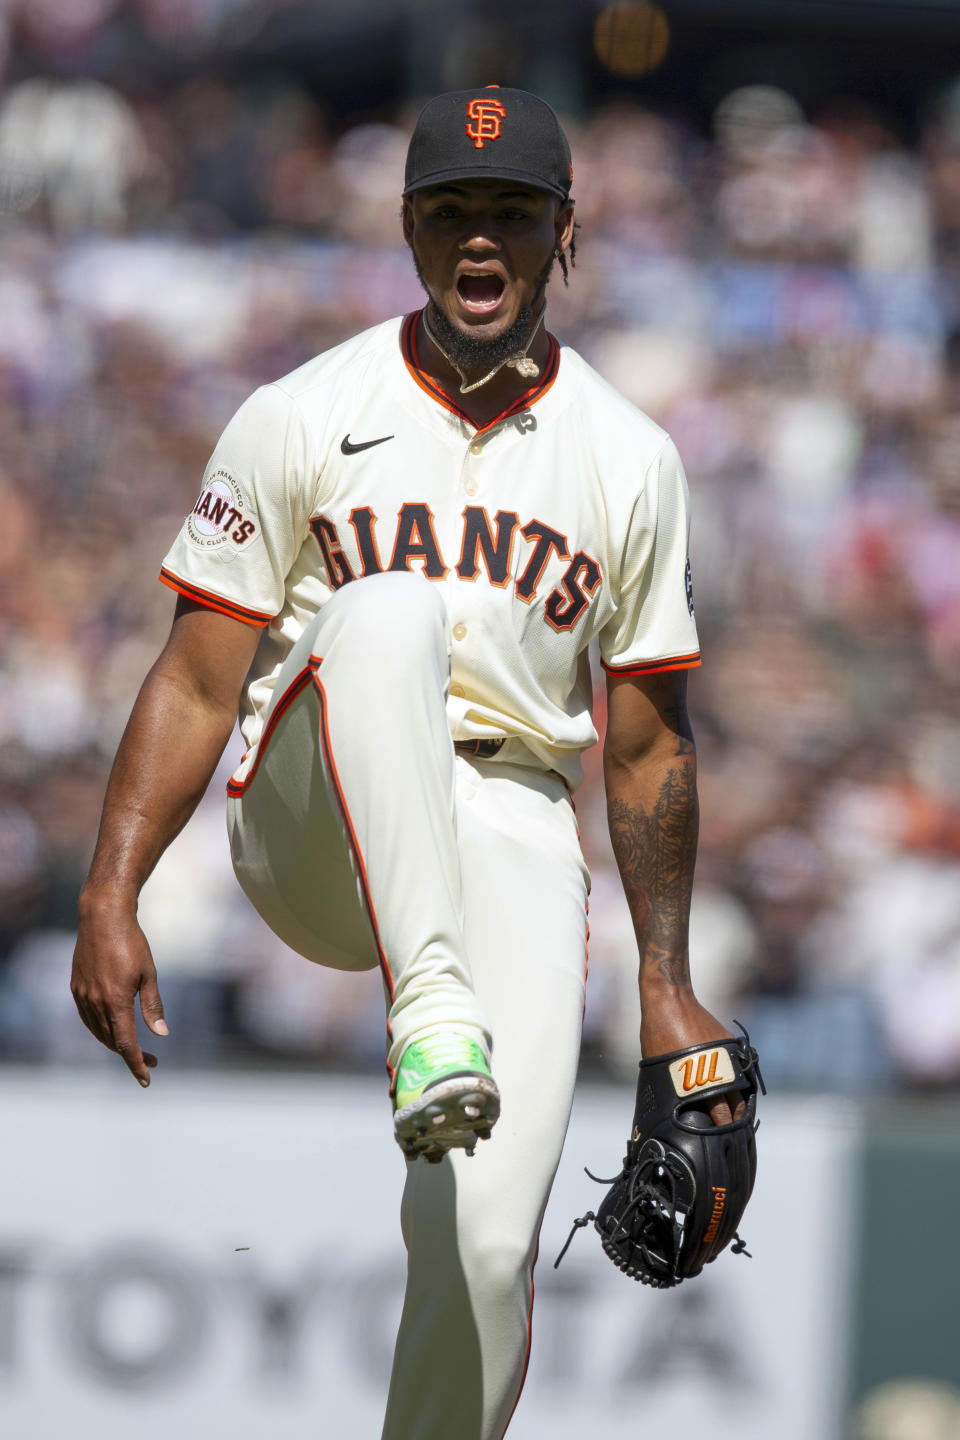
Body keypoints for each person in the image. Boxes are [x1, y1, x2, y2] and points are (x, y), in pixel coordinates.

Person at [71, 86, 741, 1440]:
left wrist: (668, 988)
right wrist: (112, 888)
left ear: (567, 232)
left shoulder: (632, 457)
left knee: (490, 1256)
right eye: (450, 212)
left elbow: (650, 739)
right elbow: (202, 677)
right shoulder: (303, 411)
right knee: (387, 614)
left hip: (510, 816)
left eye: (511, 211)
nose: (479, 241)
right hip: (316, 811)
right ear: (407, 228)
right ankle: (432, 1012)